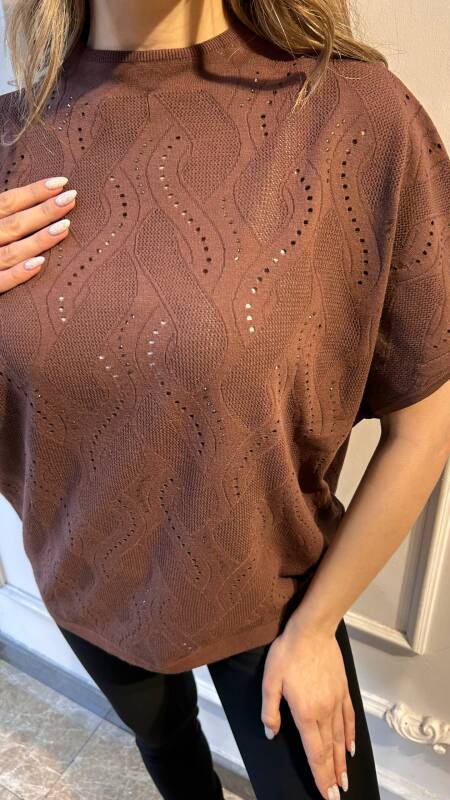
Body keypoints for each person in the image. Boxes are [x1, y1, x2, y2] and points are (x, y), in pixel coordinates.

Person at [0, 1, 449, 799]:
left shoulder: (356, 118)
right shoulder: (11, 139)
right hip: (87, 580)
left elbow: (428, 420)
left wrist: (316, 629)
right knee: (169, 753)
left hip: (276, 598)